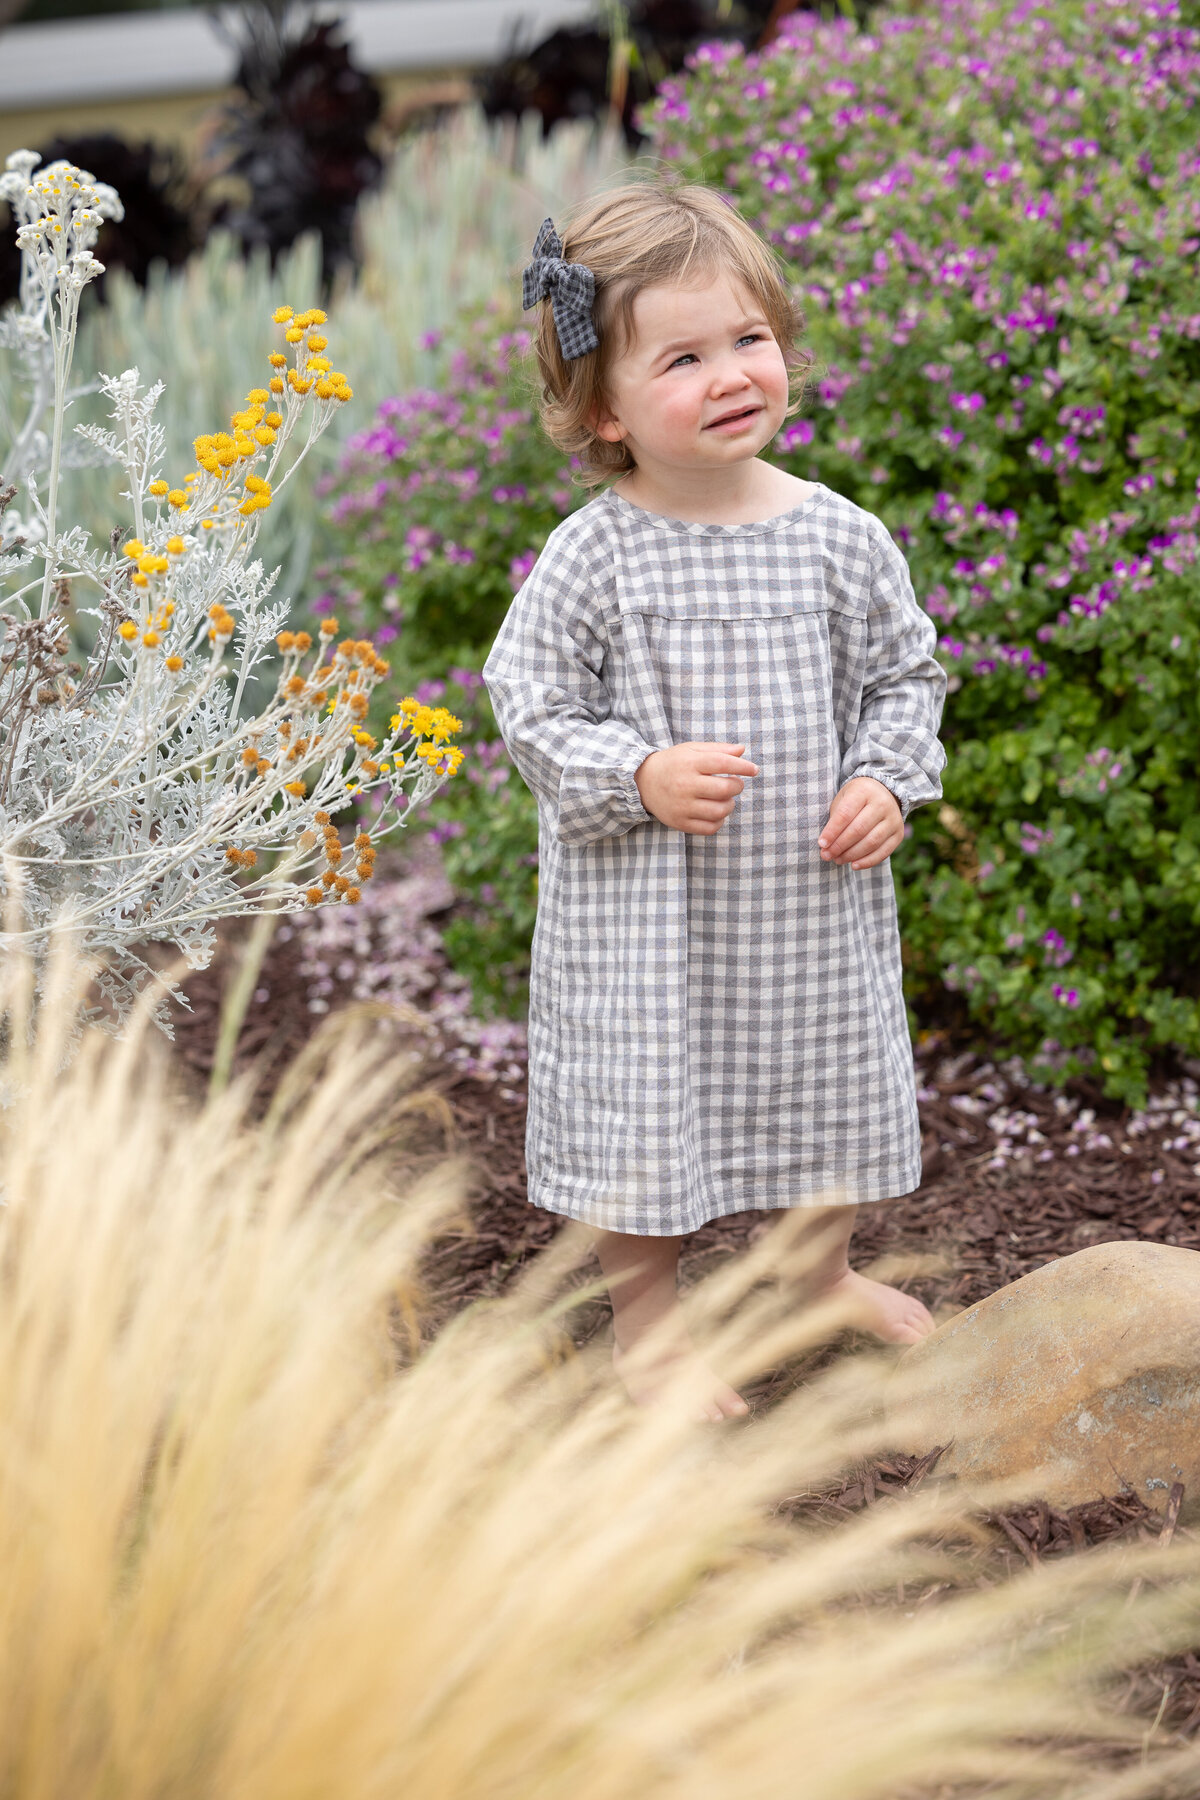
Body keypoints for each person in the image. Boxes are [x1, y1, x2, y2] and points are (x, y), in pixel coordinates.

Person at [481, 183, 947, 1422]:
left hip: (806, 901)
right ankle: (652, 1330)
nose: (732, 373)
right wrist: (636, 773)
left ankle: (817, 1276)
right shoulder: (600, 553)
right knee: (646, 1107)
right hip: (650, 924)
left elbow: (908, 676)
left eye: (748, 339)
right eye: (682, 357)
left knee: (827, 1084)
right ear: (604, 410)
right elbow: (527, 701)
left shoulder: (840, 539)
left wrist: (884, 780)